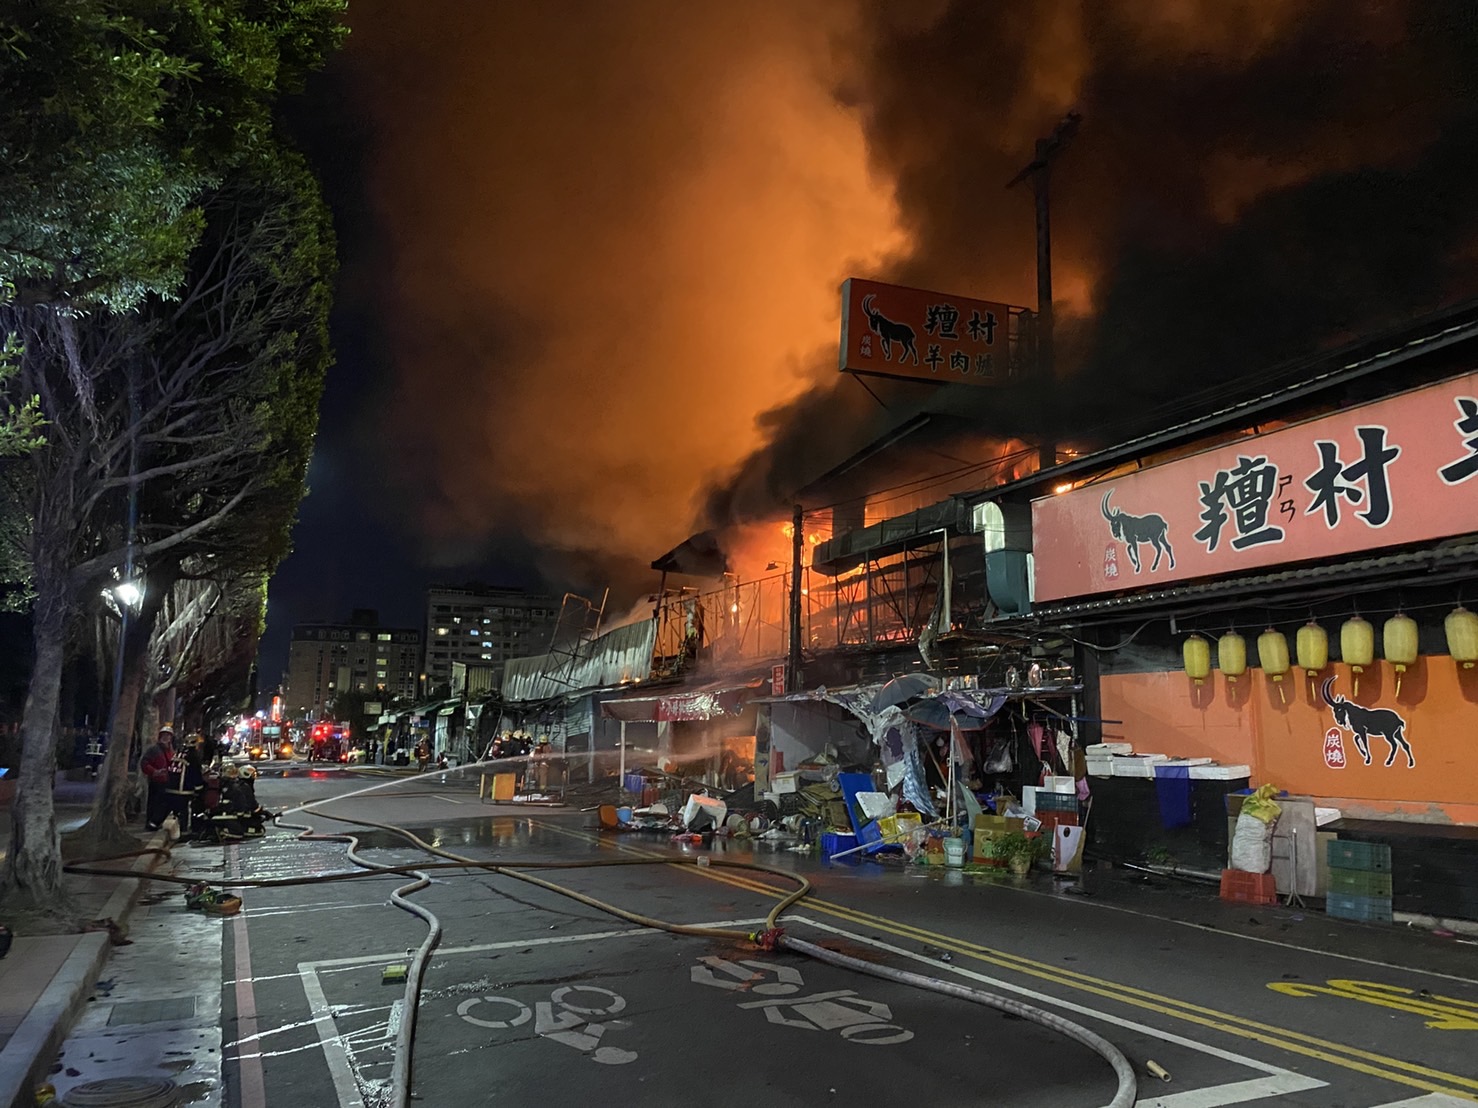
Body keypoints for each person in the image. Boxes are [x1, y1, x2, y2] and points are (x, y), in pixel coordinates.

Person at [140, 727, 177, 831]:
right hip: (156, 781)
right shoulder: (154, 750)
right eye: (164, 735)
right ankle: (151, 823)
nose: (166, 738)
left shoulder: (170, 751)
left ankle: (156, 822)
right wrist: (154, 771)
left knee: (164, 803)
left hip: (167, 781)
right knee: (154, 803)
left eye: (168, 736)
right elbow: (144, 763)